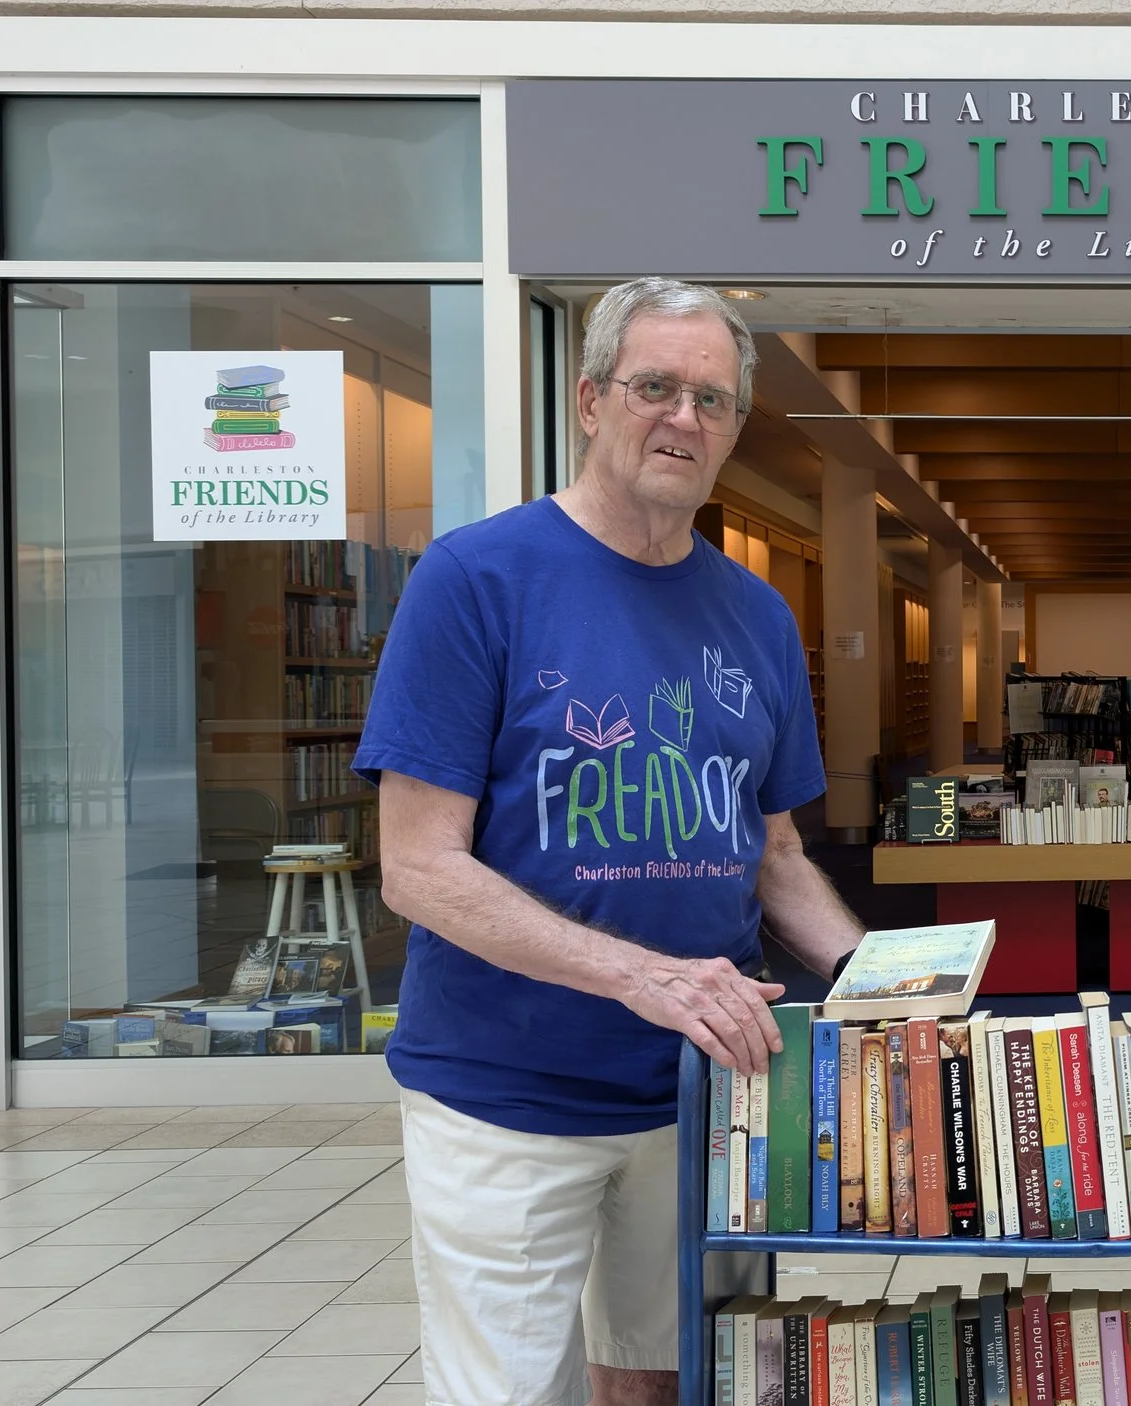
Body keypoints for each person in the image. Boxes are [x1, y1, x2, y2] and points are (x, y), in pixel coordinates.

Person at [356, 277, 864, 1406]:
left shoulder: (757, 614)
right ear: (590, 399)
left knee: (668, 1375)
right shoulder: (473, 579)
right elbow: (418, 864)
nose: (683, 418)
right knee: (509, 1392)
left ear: (735, 427)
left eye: (713, 400)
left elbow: (774, 856)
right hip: (506, 1091)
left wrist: (883, 981)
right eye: (655, 387)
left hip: (700, 1087)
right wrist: (644, 976)